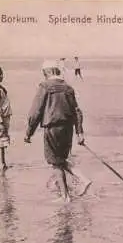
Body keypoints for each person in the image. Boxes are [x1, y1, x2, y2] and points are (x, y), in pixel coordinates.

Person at [24, 60, 92, 203]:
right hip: (67, 129)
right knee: (61, 160)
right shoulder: (68, 88)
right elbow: (77, 112)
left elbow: (35, 112)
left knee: (55, 163)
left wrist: (29, 132)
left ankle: (65, 196)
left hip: (52, 128)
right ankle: (81, 181)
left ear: (46, 72)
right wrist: (80, 133)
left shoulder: (45, 87)